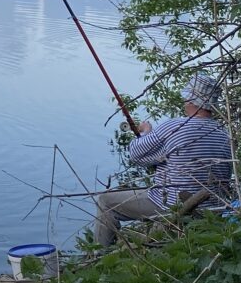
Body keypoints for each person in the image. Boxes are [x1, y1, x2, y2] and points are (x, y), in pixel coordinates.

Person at [94, 74, 233, 246]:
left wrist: (146, 132)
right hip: (213, 209)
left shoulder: (176, 126)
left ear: (190, 100)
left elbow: (136, 154)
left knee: (105, 201)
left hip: (175, 207)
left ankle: (100, 254)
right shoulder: (224, 134)